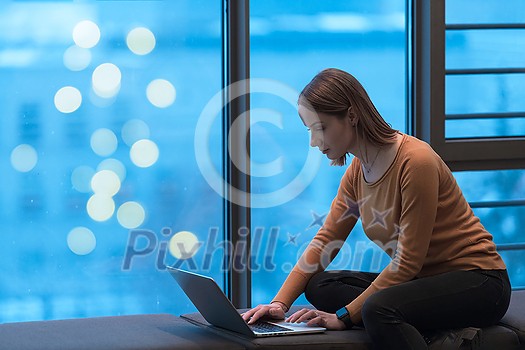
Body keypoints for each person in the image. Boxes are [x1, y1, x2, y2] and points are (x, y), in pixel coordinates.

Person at [241, 68, 511, 349]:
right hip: (423, 281)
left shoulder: (416, 161)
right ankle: (420, 322)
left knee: (377, 309)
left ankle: (409, 321)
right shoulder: (357, 172)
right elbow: (325, 242)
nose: (314, 142)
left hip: (479, 282)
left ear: (352, 116)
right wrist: (279, 303)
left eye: (321, 128)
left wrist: (344, 317)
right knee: (320, 285)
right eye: (310, 130)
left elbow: (407, 262)